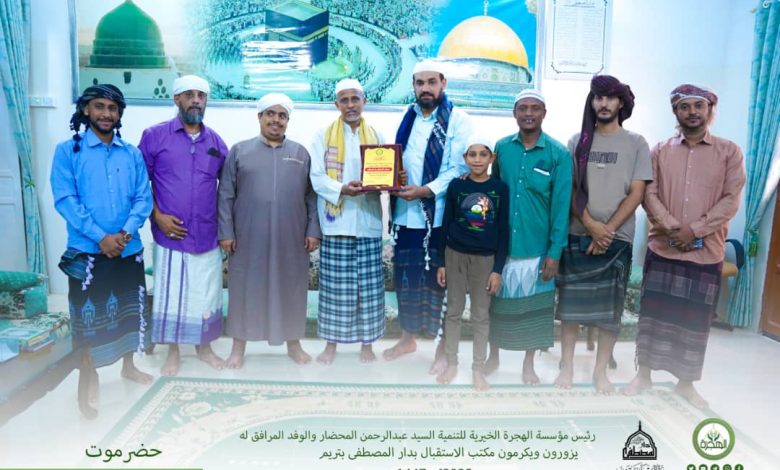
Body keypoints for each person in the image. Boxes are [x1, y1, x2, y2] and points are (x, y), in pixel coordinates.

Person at [623, 84, 745, 408]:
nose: (692, 112)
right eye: (684, 107)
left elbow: (731, 199)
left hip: (706, 252)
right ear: (675, 112)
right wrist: (672, 227)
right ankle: (643, 375)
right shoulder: (659, 151)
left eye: (698, 106)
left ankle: (685, 384)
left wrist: (695, 230)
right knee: (653, 315)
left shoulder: (729, 152)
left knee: (694, 321)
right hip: (664, 248)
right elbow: (649, 193)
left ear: (709, 111)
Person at [51, 84, 153, 419]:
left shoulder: (132, 153)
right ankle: (89, 376)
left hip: (127, 249)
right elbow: (66, 200)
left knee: (129, 311)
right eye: (99, 106)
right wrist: (101, 238)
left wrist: (123, 234)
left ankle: (128, 366)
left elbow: (143, 198)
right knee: (88, 318)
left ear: (119, 113)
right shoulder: (68, 152)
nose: (106, 114)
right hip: (87, 252)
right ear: (85, 110)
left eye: (112, 108)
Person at [555, 75, 653, 393]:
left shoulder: (636, 143)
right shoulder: (577, 142)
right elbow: (569, 189)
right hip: (578, 234)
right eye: (598, 97)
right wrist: (591, 226)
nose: (604, 103)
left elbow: (637, 192)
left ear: (621, 102)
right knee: (570, 309)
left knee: (610, 312)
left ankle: (600, 372)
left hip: (617, 239)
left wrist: (606, 231)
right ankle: (567, 367)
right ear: (592, 102)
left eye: (610, 97)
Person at [218, 93, 321, 368]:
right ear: (260, 117)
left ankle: (293, 344)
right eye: (270, 114)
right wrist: (226, 232)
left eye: (282, 115)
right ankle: (238, 346)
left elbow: (312, 197)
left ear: (288, 120)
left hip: (292, 236)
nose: (276, 120)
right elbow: (225, 194)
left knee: (292, 288)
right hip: (247, 235)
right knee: (243, 288)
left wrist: (313, 230)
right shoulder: (239, 151)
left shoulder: (300, 153)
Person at [383, 60, 472, 375]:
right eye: (420, 83)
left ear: (443, 83)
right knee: (406, 281)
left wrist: (426, 190)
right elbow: (401, 159)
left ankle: (443, 348)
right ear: (413, 85)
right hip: (406, 216)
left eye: (431, 82)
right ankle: (407, 339)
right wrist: (394, 176)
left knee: (441, 284)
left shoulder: (458, 120)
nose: (425, 89)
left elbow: (460, 168)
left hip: (439, 218)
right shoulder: (407, 116)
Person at [139, 75, 228, 376]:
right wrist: (157, 216)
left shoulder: (215, 142)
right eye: (189, 95)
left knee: (207, 294)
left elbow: (228, 189)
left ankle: (205, 349)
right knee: (172, 295)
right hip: (171, 235)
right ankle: (173, 352)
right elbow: (138, 184)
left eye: (201, 95)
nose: (196, 101)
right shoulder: (154, 137)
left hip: (207, 234)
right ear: (176, 99)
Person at [484, 90, 572, 383]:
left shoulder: (558, 154)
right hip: (502, 246)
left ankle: (528, 364)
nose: (529, 113)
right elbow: (492, 188)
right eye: (523, 108)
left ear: (544, 113)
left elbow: (561, 206)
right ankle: (493, 356)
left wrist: (554, 252)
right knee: (496, 305)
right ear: (515, 113)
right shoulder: (502, 148)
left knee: (535, 310)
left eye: (535, 108)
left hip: (538, 246)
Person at [308, 78, 386, 364]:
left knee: (369, 289)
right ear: (336, 104)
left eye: (355, 99)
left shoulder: (377, 135)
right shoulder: (322, 136)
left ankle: (367, 344)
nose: (351, 105)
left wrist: (392, 179)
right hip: (336, 223)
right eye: (344, 100)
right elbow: (316, 177)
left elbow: (386, 173)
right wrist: (342, 188)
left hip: (367, 222)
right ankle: (331, 344)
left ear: (364, 101)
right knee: (335, 289)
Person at [436, 135, 509, 390]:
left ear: (492, 158)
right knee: (453, 312)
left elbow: (503, 230)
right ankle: (452, 363)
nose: (477, 159)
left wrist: (497, 269)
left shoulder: (500, 189)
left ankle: (478, 369)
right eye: (472, 154)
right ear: (465, 158)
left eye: (483, 154)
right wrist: (441, 262)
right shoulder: (457, 186)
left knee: (480, 316)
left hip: (485, 260)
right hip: (455, 255)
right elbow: (446, 222)